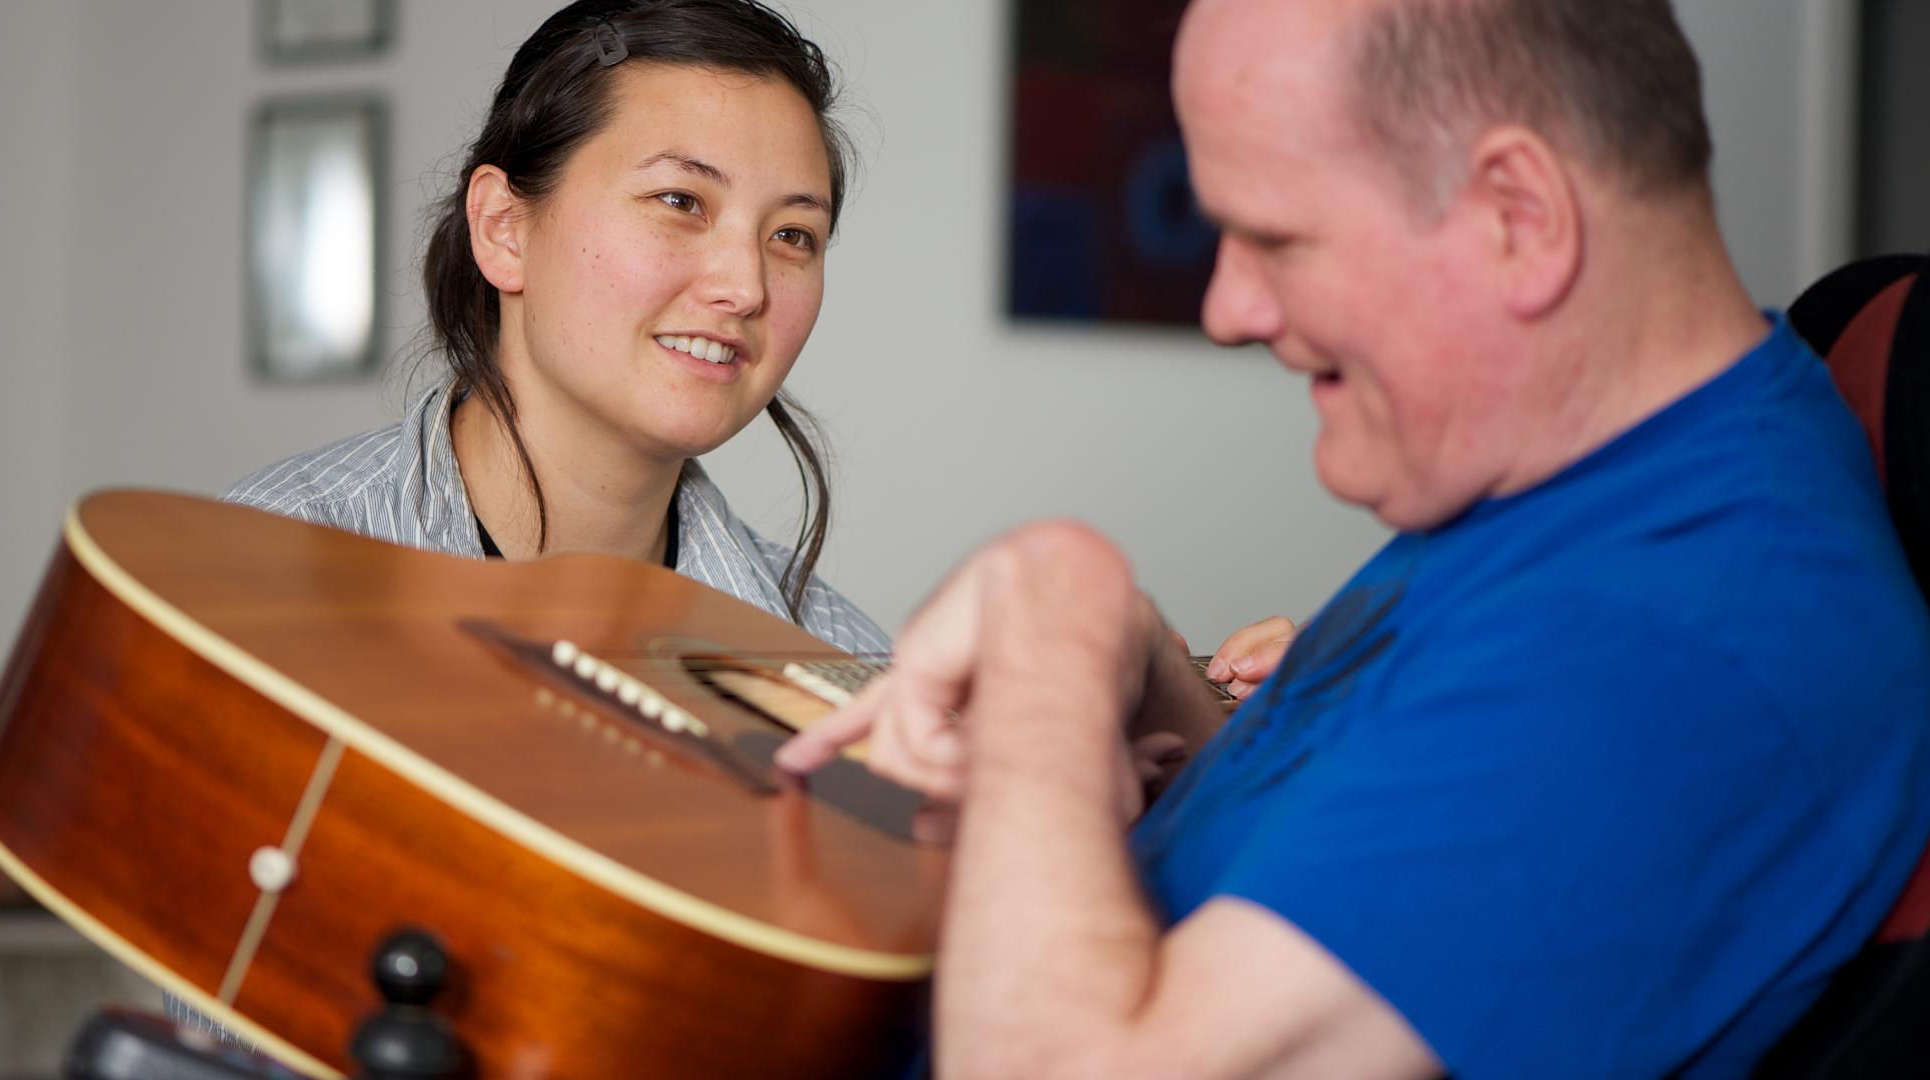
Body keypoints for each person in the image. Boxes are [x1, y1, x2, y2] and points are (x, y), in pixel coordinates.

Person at [778, 0, 1930, 1076]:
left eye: (1273, 238)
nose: (1228, 309)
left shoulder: (1663, 647)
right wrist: (1148, 678)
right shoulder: (1573, 474)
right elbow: (1366, 860)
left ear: (1517, 218)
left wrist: (1053, 613)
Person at [224, 0, 886, 655]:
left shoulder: (843, 668)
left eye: (794, 236)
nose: (745, 288)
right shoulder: (252, 575)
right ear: (504, 230)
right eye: (680, 201)